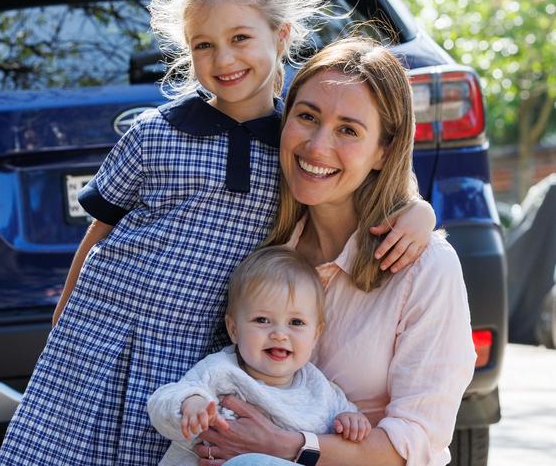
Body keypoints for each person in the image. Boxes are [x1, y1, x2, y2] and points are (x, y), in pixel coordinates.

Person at [0, 0, 437, 463]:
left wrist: (419, 210)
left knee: (162, 444)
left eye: (240, 38)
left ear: (282, 35)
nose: (223, 60)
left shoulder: (295, 142)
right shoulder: (155, 134)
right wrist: (67, 307)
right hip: (106, 320)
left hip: (191, 339)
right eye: (203, 45)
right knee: (64, 446)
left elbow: (365, 179)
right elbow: (100, 228)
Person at [192, 37, 477, 466]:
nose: (317, 146)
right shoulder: (255, 240)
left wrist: (285, 446)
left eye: (348, 129)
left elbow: (414, 442)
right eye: (307, 117)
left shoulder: (424, 267)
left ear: (384, 150)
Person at [147, 246, 371, 465]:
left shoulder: (321, 389)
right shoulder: (221, 371)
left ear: (315, 335)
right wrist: (190, 404)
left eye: (296, 322)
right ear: (234, 330)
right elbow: (162, 403)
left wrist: (352, 422)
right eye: (262, 320)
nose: (279, 334)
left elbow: (348, 420)